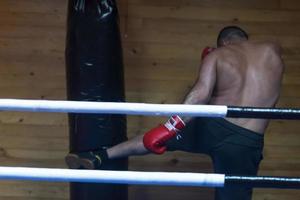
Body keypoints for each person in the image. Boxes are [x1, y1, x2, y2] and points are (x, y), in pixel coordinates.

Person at [65, 26, 284, 200]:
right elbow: (268, 94)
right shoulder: (272, 52)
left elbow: (200, 94)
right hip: (247, 142)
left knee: (155, 138)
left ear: (224, 42)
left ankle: (100, 155)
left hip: (213, 129)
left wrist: (169, 127)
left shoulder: (219, 55)